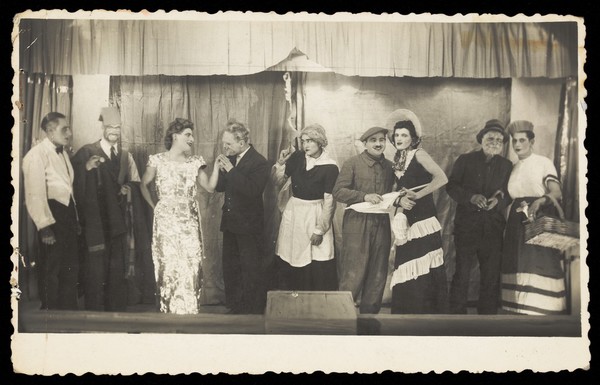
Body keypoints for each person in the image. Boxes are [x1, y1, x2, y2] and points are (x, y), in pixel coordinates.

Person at [140, 118, 220, 314]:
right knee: (168, 266)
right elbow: (143, 184)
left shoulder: (195, 163)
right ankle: (167, 313)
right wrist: (154, 206)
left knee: (191, 265)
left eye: (192, 135)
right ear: (175, 136)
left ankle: (190, 313)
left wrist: (217, 165)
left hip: (189, 223)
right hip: (165, 223)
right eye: (188, 134)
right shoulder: (157, 160)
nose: (192, 139)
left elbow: (209, 187)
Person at [72, 107, 146, 311]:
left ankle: (116, 314)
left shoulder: (125, 156)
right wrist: (86, 169)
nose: (114, 130)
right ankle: (94, 313)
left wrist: (127, 189)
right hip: (95, 222)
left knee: (116, 268)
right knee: (95, 269)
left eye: (117, 127)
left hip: (118, 221)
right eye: (110, 126)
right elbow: (72, 183)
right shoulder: (86, 152)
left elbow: (136, 183)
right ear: (102, 127)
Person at [446, 119, 513, 314]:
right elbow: (451, 186)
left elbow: (510, 193)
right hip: (466, 227)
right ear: (481, 139)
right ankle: (456, 315)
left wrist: (498, 203)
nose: (494, 142)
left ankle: (487, 318)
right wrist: (471, 198)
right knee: (462, 273)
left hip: (493, 228)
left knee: (491, 276)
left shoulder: (507, 165)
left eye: (499, 140)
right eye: (490, 138)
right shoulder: (465, 160)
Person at [501, 120, 566, 315]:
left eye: (522, 140)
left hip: (538, 217)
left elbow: (557, 192)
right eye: (514, 141)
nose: (517, 145)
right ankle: (517, 307)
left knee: (538, 261)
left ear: (532, 141)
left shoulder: (543, 162)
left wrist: (540, 201)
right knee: (516, 261)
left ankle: (542, 309)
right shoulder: (512, 167)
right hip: (515, 221)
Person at [387, 109, 448, 314]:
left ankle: (428, 314)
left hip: (423, 218)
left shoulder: (419, 154)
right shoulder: (397, 159)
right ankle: (407, 313)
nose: (400, 138)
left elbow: (441, 178)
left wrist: (417, 196)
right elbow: (395, 192)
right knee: (407, 261)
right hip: (405, 218)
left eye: (404, 135)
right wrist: (400, 200)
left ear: (413, 139)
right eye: (397, 135)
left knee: (424, 260)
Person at [332, 126, 395, 314]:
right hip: (357, 223)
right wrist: (364, 196)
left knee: (378, 273)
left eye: (382, 140)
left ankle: (370, 320)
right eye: (373, 140)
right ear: (365, 143)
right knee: (353, 272)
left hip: (381, 223)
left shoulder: (391, 167)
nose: (378, 143)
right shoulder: (352, 163)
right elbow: (338, 192)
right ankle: (341, 318)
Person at [22, 112, 81, 310]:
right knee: (51, 268)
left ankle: (67, 313)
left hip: (67, 214)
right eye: (65, 129)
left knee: (69, 267)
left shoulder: (62, 152)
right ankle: (51, 316)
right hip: (51, 216)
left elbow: (67, 188)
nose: (70, 133)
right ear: (49, 131)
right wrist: (45, 227)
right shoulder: (36, 155)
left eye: (69, 128)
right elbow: (35, 194)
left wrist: (75, 219)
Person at [272, 124, 340, 291]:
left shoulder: (330, 166)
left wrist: (319, 230)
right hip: (295, 213)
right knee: (292, 256)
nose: (306, 145)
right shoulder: (297, 158)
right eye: (303, 141)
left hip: (316, 214)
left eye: (310, 141)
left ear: (320, 142)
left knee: (317, 258)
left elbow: (330, 201)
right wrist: (280, 163)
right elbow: (277, 181)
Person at [215, 120, 270, 314]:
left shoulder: (260, 162)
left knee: (250, 268)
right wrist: (220, 171)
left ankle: (252, 309)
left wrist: (230, 170)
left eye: (228, 143)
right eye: (224, 143)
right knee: (231, 268)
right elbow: (220, 188)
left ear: (242, 142)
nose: (225, 147)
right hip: (230, 223)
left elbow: (253, 191)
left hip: (249, 225)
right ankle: (235, 307)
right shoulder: (231, 158)